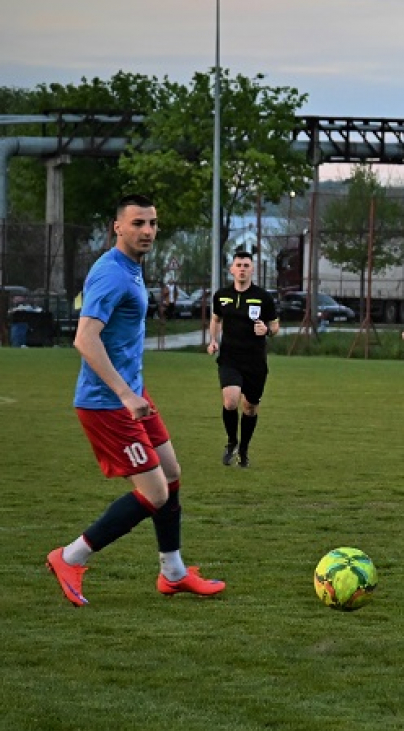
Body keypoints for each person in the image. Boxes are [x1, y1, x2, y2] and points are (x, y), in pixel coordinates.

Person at [46, 194, 225, 606]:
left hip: (132, 394)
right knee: (156, 493)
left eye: (152, 223)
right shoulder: (112, 273)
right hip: (107, 403)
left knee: (171, 472)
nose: (147, 231)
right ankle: (69, 556)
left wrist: (133, 391)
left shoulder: (129, 268)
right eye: (138, 223)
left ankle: (174, 573)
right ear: (118, 227)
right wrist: (125, 394)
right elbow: (84, 338)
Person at [207, 251, 279, 468]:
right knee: (230, 401)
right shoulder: (221, 295)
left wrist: (266, 329)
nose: (242, 268)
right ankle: (231, 442)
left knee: (249, 408)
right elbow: (216, 319)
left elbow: (275, 327)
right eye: (238, 265)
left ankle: (244, 449)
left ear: (252, 269)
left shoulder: (263, 297)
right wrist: (213, 340)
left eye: (246, 265)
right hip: (230, 358)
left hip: (255, 362)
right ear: (231, 269)